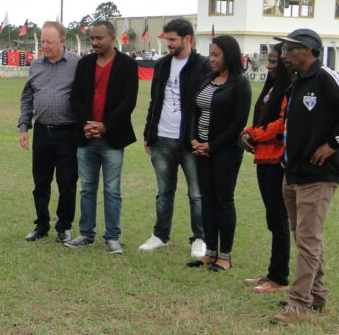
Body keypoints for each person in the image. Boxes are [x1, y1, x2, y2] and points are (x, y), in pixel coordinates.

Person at [269, 29, 339, 326]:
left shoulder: (327, 77)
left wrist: (335, 142)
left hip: (319, 174)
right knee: (303, 237)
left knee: (309, 239)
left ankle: (298, 304)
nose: (285, 55)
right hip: (294, 171)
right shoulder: (297, 82)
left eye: (290, 49)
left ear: (309, 50)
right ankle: (317, 296)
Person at [139, 18, 211, 257]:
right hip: (162, 138)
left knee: (196, 193)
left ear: (187, 39)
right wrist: (149, 133)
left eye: (172, 39)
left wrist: (201, 137)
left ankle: (200, 238)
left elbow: (206, 106)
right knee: (164, 191)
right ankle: (160, 235)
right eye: (167, 39)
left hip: (190, 140)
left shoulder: (203, 66)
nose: (168, 44)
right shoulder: (161, 65)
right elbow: (155, 101)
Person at [65, 20, 138, 254]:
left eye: (99, 38)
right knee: (87, 188)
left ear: (112, 38)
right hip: (86, 136)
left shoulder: (127, 65)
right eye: (92, 39)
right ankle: (86, 234)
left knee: (112, 190)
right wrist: (88, 124)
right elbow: (75, 97)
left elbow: (129, 101)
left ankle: (112, 237)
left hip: (113, 138)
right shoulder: (85, 63)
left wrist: (105, 126)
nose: (94, 43)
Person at [187, 35, 251, 272]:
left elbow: (238, 123)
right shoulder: (208, 79)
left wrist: (212, 145)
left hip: (225, 152)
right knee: (207, 200)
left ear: (229, 56)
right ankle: (210, 252)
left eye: (216, 55)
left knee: (223, 201)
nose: (211, 59)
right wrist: (194, 139)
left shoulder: (239, 84)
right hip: (201, 149)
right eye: (210, 54)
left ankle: (224, 256)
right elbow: (195, 112)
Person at [17, 21, 81, 243]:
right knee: (40, 182)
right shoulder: (36, 65)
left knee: (67, 183)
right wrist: (24, 126)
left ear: (63, 42)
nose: (45, 45)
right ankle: (41, 224)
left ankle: (64, 227)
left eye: (50, 42)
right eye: (42, 41)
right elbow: (27, 97)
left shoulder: (77, 63)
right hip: (43, 132)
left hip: (68, 133)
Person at [240, 42, 292, 293]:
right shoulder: (273, 87)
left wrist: (254, 134)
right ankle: (273, 272)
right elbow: (263, 119)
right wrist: (249, 134)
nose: (269, 66)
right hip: (264, 158)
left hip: (276, 160)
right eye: (268, 61)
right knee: (273, 219)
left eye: (273, 62)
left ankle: (279, 277)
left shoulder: (289, 88)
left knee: (278, 219)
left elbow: (282, 123)